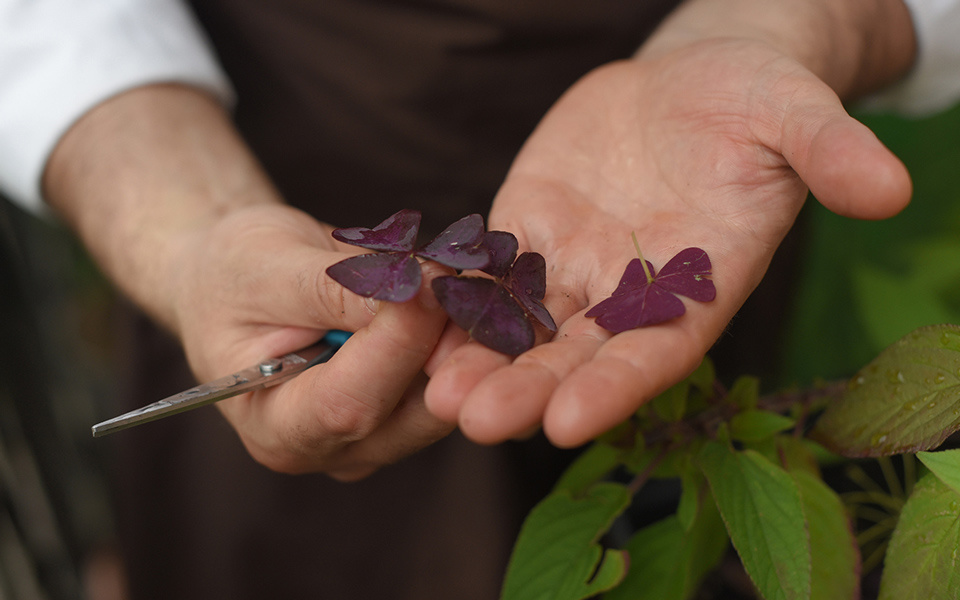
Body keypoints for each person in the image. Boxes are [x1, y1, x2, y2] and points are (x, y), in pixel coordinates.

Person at [2, 0, 959, 597]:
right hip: (274, 165)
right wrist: (189, 229)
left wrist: (810, 14)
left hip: (678, 183)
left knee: (668, 476)